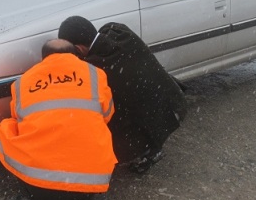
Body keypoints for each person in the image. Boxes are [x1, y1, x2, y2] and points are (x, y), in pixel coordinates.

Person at [0, 39, 116, 200]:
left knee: (4, 129)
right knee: (95, 126)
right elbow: (107, 113)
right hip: (91, 182)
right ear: (75, 54)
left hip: (42, 186)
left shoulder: (22, 82)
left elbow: (19, 118)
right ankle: (93, 199)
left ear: (43, 57)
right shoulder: (96, 74)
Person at [58, 16, 187, 174]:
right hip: (174, 97)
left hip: (166, 114)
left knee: (107, 135)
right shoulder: (117, 30)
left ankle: (150, 150)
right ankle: (150, 139)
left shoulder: (97, 67)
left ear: (78, 49)